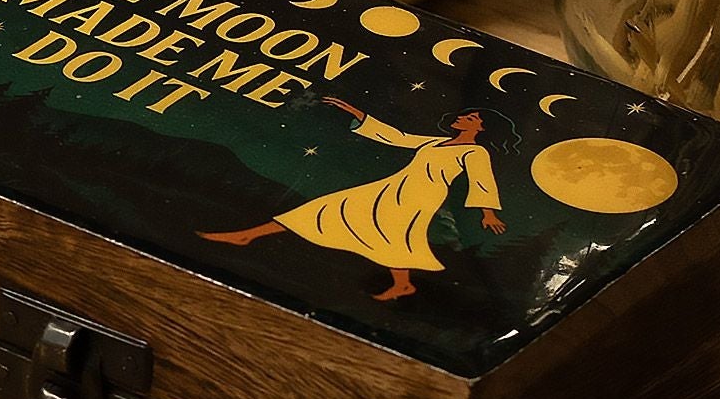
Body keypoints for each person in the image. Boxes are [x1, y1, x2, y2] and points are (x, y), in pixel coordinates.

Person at [200, 97, 505, 302]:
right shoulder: (438, 141)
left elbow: (482, 181)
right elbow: (397, 138)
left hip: (422, 195)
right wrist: (357, 114)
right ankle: (247, 235)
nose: (464, 117)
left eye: (472, 117)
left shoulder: (475, 152)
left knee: (396, 233)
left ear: (481, 129)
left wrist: (487, 213)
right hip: (397, 185)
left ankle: (403, 283)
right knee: (330, 208)